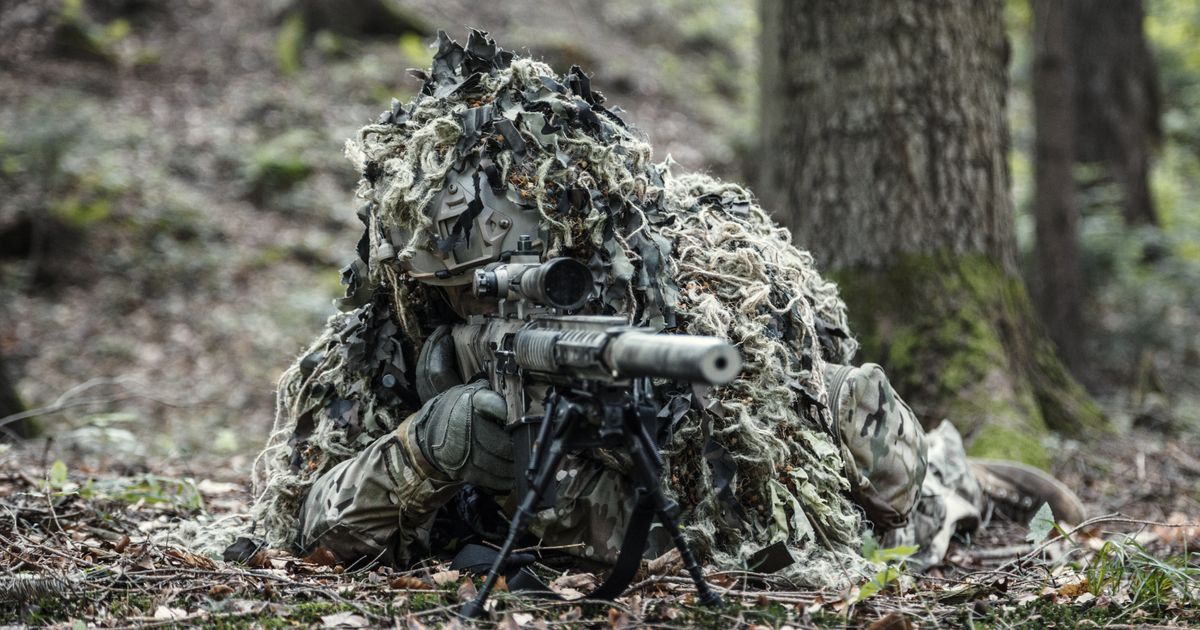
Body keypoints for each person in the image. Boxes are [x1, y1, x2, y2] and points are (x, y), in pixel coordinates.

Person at [249, 31, 1083, 587]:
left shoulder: (662, 277)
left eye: (524, 271)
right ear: (421, 282)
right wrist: (432, 447)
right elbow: (305, 521)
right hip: (565, 529)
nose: (493, 295)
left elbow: (763, 471)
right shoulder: (376, 348)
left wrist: (655, 419)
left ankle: (959, 478)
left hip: (670, 504)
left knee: (860, 426)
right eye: (468, 286)